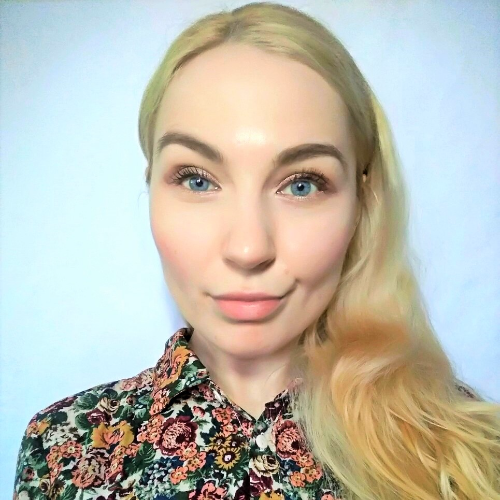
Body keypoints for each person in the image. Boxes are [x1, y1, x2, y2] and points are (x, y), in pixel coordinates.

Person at [13, 2, 500, 500]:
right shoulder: (64, 450)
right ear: (151, 187)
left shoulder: (469, 455)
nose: (248, 249)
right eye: (197, 180)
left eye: (302, 185)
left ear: (362, 202)